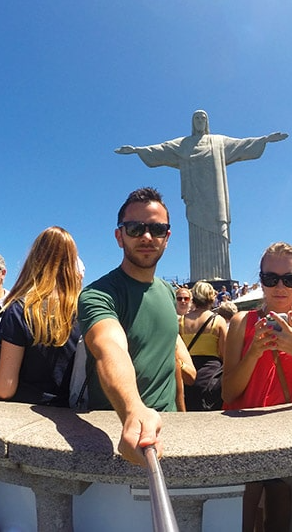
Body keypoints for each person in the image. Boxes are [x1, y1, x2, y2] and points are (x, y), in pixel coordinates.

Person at [221, 242, 292, 532]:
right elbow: (229, 393)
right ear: (261, 280)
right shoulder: (240, 322)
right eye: (271, 279)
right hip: (245, 442)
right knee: (242, 523)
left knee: (281, 523)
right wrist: (254, 353)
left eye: (290, 279)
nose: (280, 287)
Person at [78, 187, 193, 466]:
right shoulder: (99, 294)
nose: (146, 236)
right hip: (124, 431)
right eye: (135, 228)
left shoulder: (168, 292)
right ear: (119, 236)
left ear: (167, 237)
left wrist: (184, 415)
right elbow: (109, 347)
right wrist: (133, 410)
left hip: (171, 428)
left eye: (157, 229)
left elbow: (170, 362)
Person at [115, 110, 287, 281]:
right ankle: (200, 277)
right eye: (196, 118)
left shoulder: (218, 141)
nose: (199, 120)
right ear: (192, 122)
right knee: (197, 231)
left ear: (207, 121)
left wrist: (264, 140)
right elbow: (162, 149)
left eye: (202, 118)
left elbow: (242, 144)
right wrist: (138, 150)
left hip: (215, 197)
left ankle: (222, 276)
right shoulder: (184, 144)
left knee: (218, 229)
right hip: (195, 198)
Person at [0, 227, 82, 406]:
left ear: (35, 258)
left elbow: (5, 389)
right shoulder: (85, 309)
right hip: (72, 410)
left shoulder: (20, 309)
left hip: (26, 408)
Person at [179, 281, 228, 411]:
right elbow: (225, 354)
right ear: (211, 297)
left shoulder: (181, 321)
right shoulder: (218, 321)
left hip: (187, 374)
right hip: (211, 376)